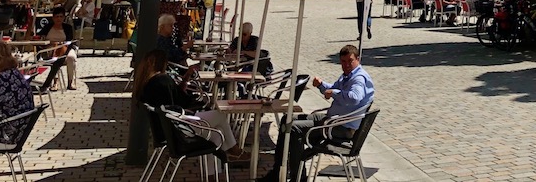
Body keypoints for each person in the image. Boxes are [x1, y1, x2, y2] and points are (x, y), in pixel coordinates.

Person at [261, 45, 374, 182]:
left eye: (350, 61)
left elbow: (354, 97)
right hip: (332, 119)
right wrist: (321, 85)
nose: (346, 65)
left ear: (358, 59)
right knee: (287, 119)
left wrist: (333, 93)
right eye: (343, 62)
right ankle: (278, 170)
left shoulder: (358, 78)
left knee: (294, 129)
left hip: (341, 127)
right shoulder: (347, 76)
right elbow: (333, 89)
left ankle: (298, 177)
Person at [133, 49, 246, 161]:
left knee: (216, 134)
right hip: (179, 128)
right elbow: (182, 101)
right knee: (219, 116)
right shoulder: (163, 80)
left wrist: (186, 77)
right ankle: (235, 151)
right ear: (163, 63)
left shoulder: (146, 83)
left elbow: (176, 96)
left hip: (165, 130)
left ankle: (214, 174)